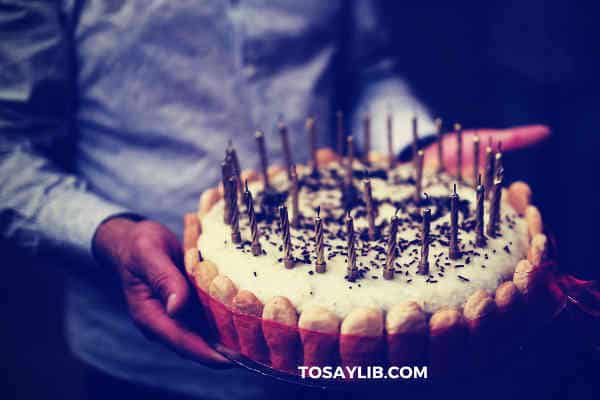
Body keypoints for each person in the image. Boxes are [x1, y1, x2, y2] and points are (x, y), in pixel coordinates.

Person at [0, 1, 549, 399]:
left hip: (368, 360)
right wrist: (106, 234)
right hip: (143, 356)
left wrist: (420, 145)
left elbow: (369, 72)